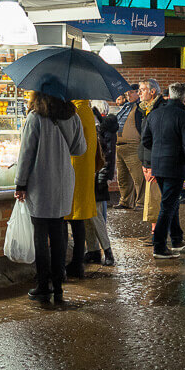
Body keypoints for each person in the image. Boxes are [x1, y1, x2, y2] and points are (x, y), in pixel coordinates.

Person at [14, 84, 86, 305]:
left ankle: (43, 286)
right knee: (59, 234)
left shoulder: (35, 117)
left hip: (40, 183)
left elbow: (26, 153)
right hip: (64, 183)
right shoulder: (72, 116)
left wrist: (20, 183)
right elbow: (79, 149)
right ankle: (59, 288)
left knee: (40, 237)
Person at [142, 82, 185, 259]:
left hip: (158, 164)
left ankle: (177, 238)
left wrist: (157, 154)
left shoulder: (155, 113)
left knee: (171, 202)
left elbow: (146, 141)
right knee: (167, 205)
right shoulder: (184, 115)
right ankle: (159, 246)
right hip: (175, 165)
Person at [65, 99, 98, 279]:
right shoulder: (85, 109)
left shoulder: (77, 110)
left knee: (74, 218)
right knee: (78, 218)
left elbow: (73, 142)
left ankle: (76, 263)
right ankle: (76, 262)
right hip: (82, 170)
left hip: (75, 169)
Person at [85, 100, 117, 266]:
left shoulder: (102, 129)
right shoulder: (99, 128)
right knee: (87, 217)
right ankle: (93, 250)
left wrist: (102, 176)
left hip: (96, 177)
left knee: (96, 217)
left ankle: (107, 251)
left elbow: (106, 157)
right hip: (90, 175)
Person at [138, 79, 166, 240]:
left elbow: (156, 140)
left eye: (142, 89)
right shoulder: (147, 109)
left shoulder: (158, 110)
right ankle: (154, 232)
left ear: (152, 91)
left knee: (156, 199)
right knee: (152, 199)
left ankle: (158, 235)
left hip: (154, 163)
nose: (140, 92)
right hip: (148, 162)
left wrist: (151, 164)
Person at [112, 84, 143, 209]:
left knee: (138, 177)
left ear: (137, 93)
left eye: (131, 92)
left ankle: (140, 203)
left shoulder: (140, 107)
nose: (128, 95)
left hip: (133, 146)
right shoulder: (125, 107)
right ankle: (125, 201)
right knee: (123, 177)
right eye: (127, 93)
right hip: (119, 146)